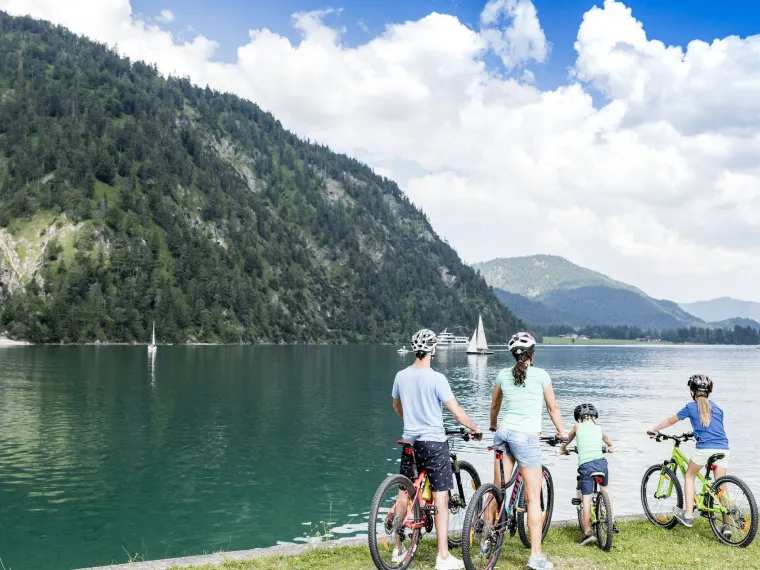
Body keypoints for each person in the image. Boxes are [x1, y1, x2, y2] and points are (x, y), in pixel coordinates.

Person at [391, 328, 482, 570]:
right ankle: (442, 557)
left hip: (409, 442)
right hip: (433, 443)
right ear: (432, 349)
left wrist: (410, 424)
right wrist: (474, 427)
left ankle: (398, 548)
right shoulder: (437, 379)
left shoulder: (401, 376)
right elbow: (456, 412)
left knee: (405, 492)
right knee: (442, 496)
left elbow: (397, 406)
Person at [489, 332, 566, 570]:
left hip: (503, 434)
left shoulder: (502, 375)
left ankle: (487, 535)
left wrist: (493, 425)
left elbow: (494, 405)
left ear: (514, 355)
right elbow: (553, 408)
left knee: (496, 489)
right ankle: (535, 557)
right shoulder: (541, 375)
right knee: (533, 499)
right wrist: (562, 433)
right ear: (533, 353)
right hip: (526, 438)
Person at [649, 374, 732, 537]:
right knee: (721, 485)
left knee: (689, 476)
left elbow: (670, 420)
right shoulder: (718, 408)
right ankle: (727, 525)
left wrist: (654, 429)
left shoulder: (690, 407)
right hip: (723, 449)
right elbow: (712, 429)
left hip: (704, 449)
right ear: (709, 392)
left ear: (692, 392)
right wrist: (694, 433)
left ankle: (688, 515)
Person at [561, 403, 618, 545]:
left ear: (578, 419)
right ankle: (612, 519)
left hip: (586, 466)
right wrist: (610, 448)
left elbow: (566, 440)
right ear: (595, 418)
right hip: (601, 463)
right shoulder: (599, 428)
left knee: (586, 499)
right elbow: (609, 442)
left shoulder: (577, 427)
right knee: (605, 488)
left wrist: (563, 449)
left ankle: (587, 533)